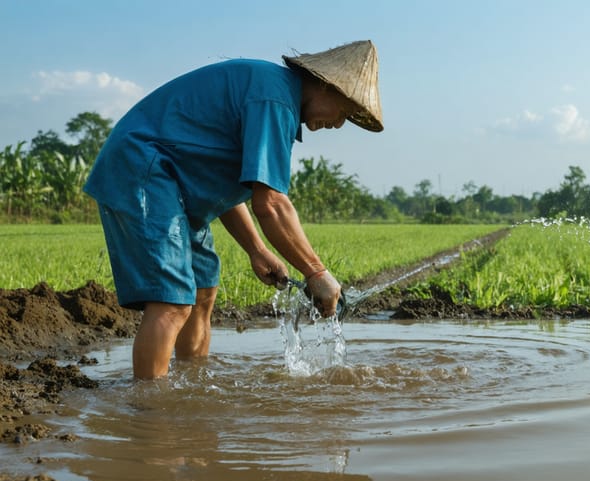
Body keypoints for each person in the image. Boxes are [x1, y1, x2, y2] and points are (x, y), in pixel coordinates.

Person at [83, 40, 383, 379]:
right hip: (144, 170)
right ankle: (151, 411)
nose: (340, 123)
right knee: (171, 303)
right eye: (344, 111)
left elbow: (224, 184)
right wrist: (316, 273)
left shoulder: (274, 95)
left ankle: (190, 385)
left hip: (175, 184)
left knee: (202, 293)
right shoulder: (275, 101)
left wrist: (257, 250)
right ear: (328, 86)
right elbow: (270, 203)